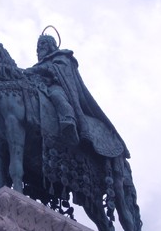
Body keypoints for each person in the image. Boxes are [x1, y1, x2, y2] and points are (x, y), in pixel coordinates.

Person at [26, 27, 130, 158]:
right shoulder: (37, 66)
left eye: (42, 44)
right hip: (40, 87)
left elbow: (58, 70)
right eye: (37, 46)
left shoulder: (61, 56)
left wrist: (40, 70)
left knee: (56, 96)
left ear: (51, 45)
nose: (39, 48)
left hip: (58, 87)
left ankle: (68, 122)